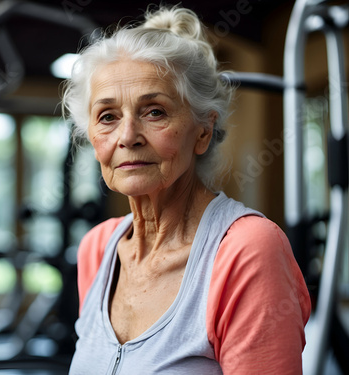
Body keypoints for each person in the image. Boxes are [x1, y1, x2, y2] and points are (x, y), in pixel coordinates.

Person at [62, 5, 311, 374]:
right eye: (108, 116)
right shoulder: (97, 248)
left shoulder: (247, 250)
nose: (127, 137)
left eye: (155, 112)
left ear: (203, 131)